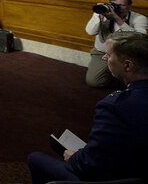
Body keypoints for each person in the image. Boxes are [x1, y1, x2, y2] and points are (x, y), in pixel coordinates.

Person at [27, 31, 148, 183]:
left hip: (119, 175)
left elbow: (89, 164)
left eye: (109, 55)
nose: (104, 58)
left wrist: (74, 157)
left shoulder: (114, 107)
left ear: (127, 65)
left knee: (35, 159)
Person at [85, 0, 147, 88]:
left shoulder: (139, 18)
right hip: (102, 53)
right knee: (93, 82)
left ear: (129, 6)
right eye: (113, 5)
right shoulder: (102, 13)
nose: (116, 8)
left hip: (127, 54)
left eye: (121, 5)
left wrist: (117, 19)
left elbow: (140, 38)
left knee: (136, 79)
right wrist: (98, 16)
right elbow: (90, 32)